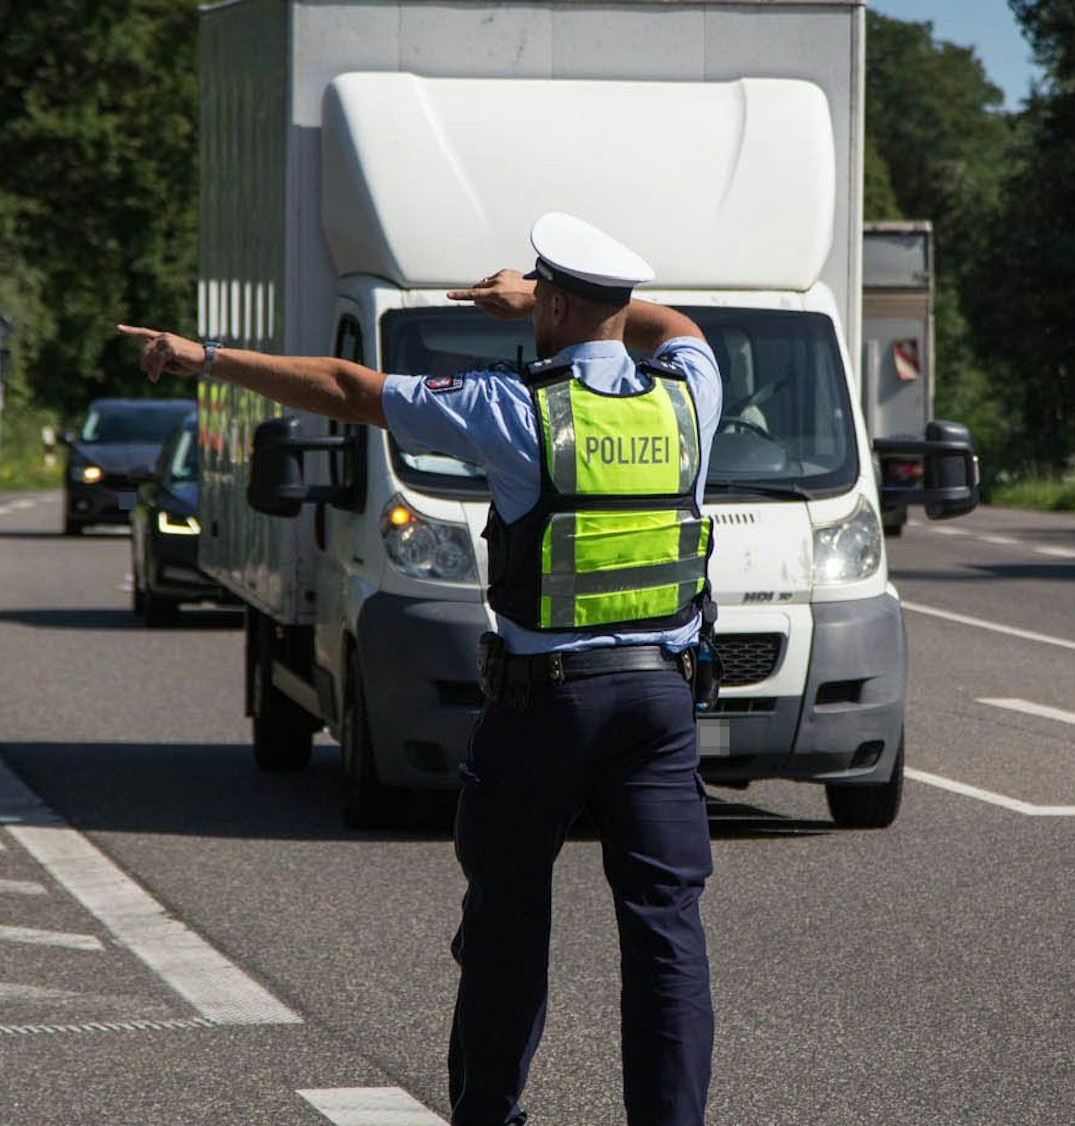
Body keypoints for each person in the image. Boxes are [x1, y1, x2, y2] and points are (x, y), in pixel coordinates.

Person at [118, 212, 721, 1126]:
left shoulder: (515, 408)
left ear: (551, 301)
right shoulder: (688, 400)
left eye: (540, 298)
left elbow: (347, 387)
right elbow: (679, 331)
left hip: (545, 711)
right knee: (667, 936)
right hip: (661, 705)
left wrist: (205, 357)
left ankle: (488, 1118)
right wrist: (579, 304)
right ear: (620, 305)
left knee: (507, 932)